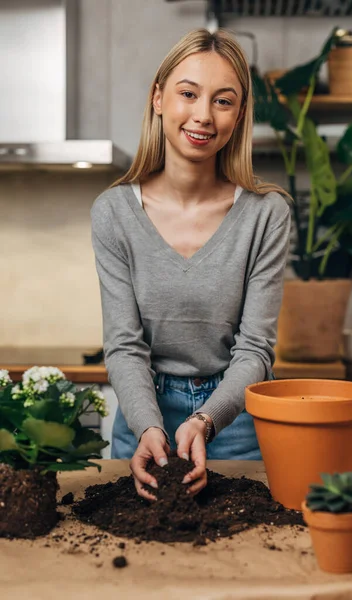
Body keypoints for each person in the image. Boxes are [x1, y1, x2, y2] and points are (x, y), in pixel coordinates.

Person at [91, 28, 291, 502]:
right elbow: (123, 345)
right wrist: (146, 425)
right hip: (144, 419)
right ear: (158, 98)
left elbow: (256, 349)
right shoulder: (114, 212)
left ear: (239, 114)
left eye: (224, 101)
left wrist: (207, 418)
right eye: (188, 94)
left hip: (236, 422)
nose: (203, 115)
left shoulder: (266, 214)